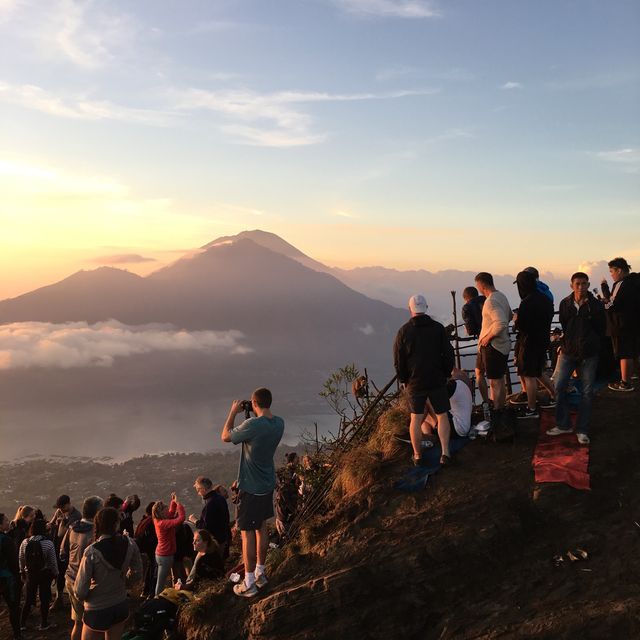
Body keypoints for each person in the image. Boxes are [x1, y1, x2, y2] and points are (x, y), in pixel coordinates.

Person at [221, 387, 285, 598]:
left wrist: (233, 412)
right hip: (267, 483)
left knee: (246, 533)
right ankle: (260, 572)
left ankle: (248, 583)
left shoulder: (253, 425)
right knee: (261, 527)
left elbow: (225, 436)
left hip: (251, 486)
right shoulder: (279, 423)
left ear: (254, 403)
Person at [394, 294, 455, 466]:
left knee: (416, 418)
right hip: (436, 379)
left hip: (415, 382)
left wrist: (404, 379)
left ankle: (417, 456)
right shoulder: (437, 328)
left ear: (410, 309)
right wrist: (445, 373)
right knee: (442, 416)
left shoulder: (403, 332)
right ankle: (445, 453)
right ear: (426, 307)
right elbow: (448, 354)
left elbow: (399, 360)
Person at [546, 272, 606, 445]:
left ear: (588, 285)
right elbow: (565, 324)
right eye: (577, 283)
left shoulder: (595, 305)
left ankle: (582, 429)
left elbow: (600, 328)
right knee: (559, 386)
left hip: (589, 352)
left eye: (584, 283)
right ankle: (563, 424)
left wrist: (591, 342)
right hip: (568, 351)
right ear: (571, 285)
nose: (581, 287)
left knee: (587, 392)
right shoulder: (565, 304)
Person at [73, 507, 142, 640]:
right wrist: (124, 583)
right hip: (120, 604)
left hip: (96, 609)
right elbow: (137, 573)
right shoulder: (130, 543)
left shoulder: (91, 552)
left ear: (97, 525)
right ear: (116, 524)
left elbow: (80, 591)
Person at [60, 496, 104, 640]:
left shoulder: (73, 527)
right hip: (85, 582)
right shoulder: (95, 533)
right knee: (91, 625)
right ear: (97, 512)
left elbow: (63, 551)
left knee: (78, 623)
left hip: (70, 578)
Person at [513, 271, 555, 419]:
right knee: (537, 371)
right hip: (543, 340)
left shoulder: (526, 302)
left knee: (529, 375)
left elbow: (523, 326)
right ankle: (554, 396)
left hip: (529, 342)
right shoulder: (545, 299)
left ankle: (531, 408)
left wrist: (516, 319)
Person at [474, 273, 513, 415]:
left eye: (477, 285)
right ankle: (492, 405)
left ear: (482, 285)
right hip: (493, 345)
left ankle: (498, 411)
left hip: (493, 347)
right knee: (482, 373)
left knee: (495, 382)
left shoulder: (491, 301)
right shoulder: (501, 296)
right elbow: (509, 316)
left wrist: (489, 336)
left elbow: (502, 322)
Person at [602, 257, 639, 391]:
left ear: (619, 270)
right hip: (634, 323)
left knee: (624, 353)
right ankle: (633, 375)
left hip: (621, 324)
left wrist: (603, 303)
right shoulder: (635, 282)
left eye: (612, 271)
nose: (611, 274)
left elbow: (612, 305)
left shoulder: (621, 284)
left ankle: (625, 383)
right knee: (633, 352)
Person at [19, 518, 58, 631]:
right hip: (44, 574)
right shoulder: (48, 543)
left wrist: (22, 572)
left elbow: (21, 559)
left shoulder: (25, 542)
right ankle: (44, 624)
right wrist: (56, 574)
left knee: (28, 599)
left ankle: (22, 624)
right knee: (44, 599)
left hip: (30, 574)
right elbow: (52, 562)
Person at [49, 494, 82, 611]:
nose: (60, 509)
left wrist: (61, 522)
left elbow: (61, 534)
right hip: (58, 548)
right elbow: (51, 524)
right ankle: (59, 599)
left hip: (69, 551)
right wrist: (54, 522)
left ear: (68, 504)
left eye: (62, 507)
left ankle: (74, 600)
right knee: (59, 575)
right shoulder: (60, 512)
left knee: (68, 574)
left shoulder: (76, 517)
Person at [421, 368, 474, 440]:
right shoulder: (459, 383)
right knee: (427, 411)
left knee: (425, 405)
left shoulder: (452, 386)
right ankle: (427, 435)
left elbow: (431, 399)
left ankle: (420, 432)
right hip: (462, 426)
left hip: (456, 428)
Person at [188, 477, 231, 559]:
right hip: (223, 537)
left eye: (198, 490)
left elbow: (206, 526)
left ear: (203, 489)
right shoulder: (220, 498)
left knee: (215, 564)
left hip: (215, 541)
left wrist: (194, 520)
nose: (198, 493)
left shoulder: (210, 504)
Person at [152, 494, 185, 596]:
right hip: (165, 556)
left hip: (162, 554)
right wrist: (179, 504)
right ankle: (156, 600)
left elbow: (170, 513)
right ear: (161, 512)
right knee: (161, 582)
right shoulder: (163, 524)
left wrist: (173, 502)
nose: (168, 510)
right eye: (165, 509)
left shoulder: (159, 520)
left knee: (161, 580)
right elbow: (181, 518)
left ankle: (159, 598)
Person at [461, 286, 489, 405]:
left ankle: (487, 402)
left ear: (466, 299)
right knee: (496, 375)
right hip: (498, 340)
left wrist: (466, 329)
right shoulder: (487, 299)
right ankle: (496, 402)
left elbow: (471, 330)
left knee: (479, 372)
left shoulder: (467, 307)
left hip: (484, 342)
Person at [0, 512, 22, 640]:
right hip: (7, 578)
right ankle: (17, 635)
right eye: (6, 521)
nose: (8, 522)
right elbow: (13, 562)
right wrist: (18, 578)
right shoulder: (6, 540)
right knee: (13, 607)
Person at [134, 502, 158, 599]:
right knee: (154, 569)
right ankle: (151, 593)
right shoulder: (152, 522)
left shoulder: (144, 520)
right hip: (152, 548)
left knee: (150, 567)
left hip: (143, 548)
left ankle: (145, 591)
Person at [274, 453, 300, 540]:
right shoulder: (287, 471)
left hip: (291, 498)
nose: (298, 459)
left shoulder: (295, 470)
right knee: (283, 520)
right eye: (296, 458)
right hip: (284, 500)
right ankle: (286, 537)